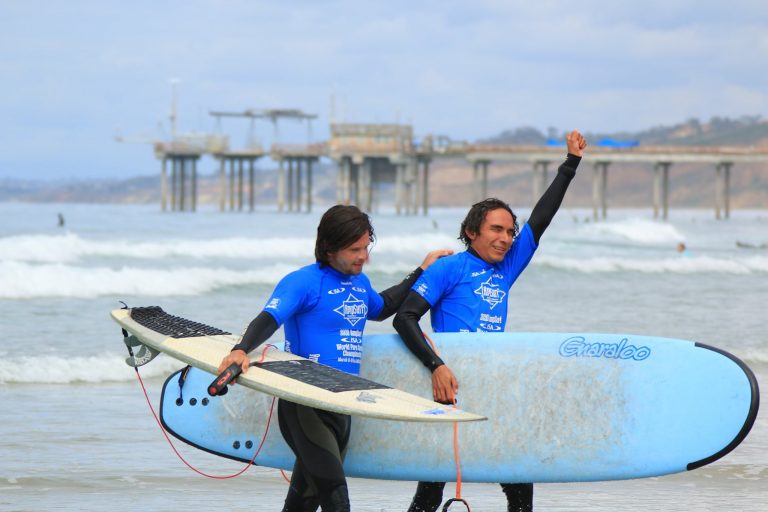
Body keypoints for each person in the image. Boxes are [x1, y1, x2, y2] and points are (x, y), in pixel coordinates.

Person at [393, 130, 588, 512]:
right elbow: (405, 318)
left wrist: (571, 163)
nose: (505, 238)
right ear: (471, 232)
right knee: (432, 486)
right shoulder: (449, 268)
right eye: (496, 229)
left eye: (509, 231)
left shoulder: (507, 267)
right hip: (450, 388)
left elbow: (542, 218)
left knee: (519, 482)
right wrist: (436, 367)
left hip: (494, 385)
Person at [216, 204, 452, 512]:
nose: (364, 256)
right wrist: (240, 349)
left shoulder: (360, 283)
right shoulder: (303, 282)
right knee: (337, 500)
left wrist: (421, 271)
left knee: (303, 503)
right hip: (307, 403)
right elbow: (269, 319)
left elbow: (383, 307)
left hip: (343, 405)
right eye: (355, 249)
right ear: (329, 248)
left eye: (366, 247)